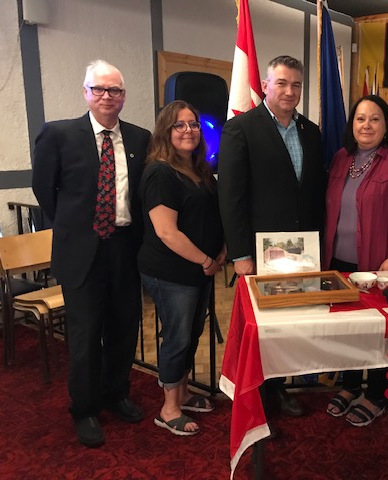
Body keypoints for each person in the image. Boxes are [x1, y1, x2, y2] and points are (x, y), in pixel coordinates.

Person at [32, 60, 150, 447]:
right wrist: (78, 229)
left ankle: (115, 394)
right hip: (82, 252)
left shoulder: (139, 138)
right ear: (85, 92)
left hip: (125, 249)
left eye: (114, 90)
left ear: (123, 96)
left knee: (122, 329)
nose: (106, 97)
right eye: (98, 89)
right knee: (84, 337)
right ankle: (84, 408)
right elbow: (45, 192)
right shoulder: (58, 135)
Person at [218, 55, 326, 420]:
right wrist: (240, 254)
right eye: (281, 83)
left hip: (303, 254)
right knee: (261, 330)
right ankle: (258, 400)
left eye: (296, 84)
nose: (289, 91)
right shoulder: (241, 129)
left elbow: (313, 193)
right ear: (265, 85)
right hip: (260, 255)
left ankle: (278, 390)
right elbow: (230, 198)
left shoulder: (311, 132)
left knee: (289, 328)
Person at [323, 95, 388, 427]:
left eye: (374, 119)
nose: (366, 125)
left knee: (382, 332)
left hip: (381, 264)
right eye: (360, 119)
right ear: (351, 125)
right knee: (350, 329)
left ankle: (381, 393)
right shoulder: (342, 158)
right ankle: (351, 384)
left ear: (387, 126)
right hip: (340, 263)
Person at [138, 101, 226, 436]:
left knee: (191, 334)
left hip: (199, 270)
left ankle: (185, 393)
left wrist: (220, 253)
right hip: (171, 272)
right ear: (165, 131)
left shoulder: (200, 169)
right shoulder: (160, 172)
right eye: (179, 125)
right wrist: (206, 260)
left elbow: (210, 217)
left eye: (192, 124)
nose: (188, 130)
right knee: (176, 338)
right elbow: (166, 232)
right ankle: (169, 408)